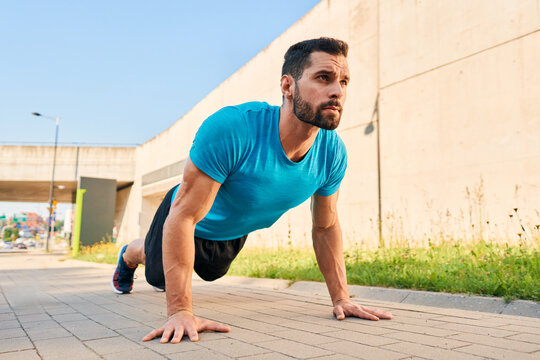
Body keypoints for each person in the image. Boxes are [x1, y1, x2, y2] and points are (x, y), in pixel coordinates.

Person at [111, 37, 393, 344]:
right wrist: (180, 311)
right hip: (187, 217)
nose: (337, 91)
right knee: (159, 276)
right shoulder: (233, 128)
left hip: (232, 231)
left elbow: (325, 227)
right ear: (288, 86)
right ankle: (129, 255)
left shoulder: (332, 154)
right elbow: (182, 216)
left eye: (343, 81)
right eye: (323, 78)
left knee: (213, 272)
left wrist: (341, 299)